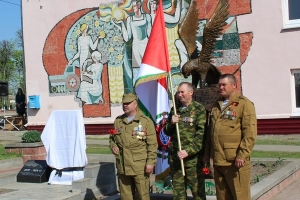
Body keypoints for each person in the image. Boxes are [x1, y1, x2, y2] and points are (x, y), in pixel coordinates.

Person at [203, 74, 257, 200]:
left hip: (234, 161)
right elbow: (211, 132)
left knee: (240, 196)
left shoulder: (244, 104)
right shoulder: (217, 105)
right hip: (218, 160)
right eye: (219, 84)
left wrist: (242, 155)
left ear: (234, 86)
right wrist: (207, 154)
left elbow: (250, 133)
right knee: (222, 196)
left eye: (224, 85)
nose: (220, 87)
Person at [109, 93, 157, 200]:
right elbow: (112, 139)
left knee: (142, 196)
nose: (125, 105)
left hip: (139, 167)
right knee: (125, 196)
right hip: (123, 166)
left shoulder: (145, 121)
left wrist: (150, 162)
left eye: (128, 103)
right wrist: (113, 146)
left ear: (135, 105)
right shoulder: (118, 121)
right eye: (123, 103)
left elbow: (152, 144)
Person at [164, 82, 207, 200]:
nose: (180, 95)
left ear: (191, 92)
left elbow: (201, 136)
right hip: (176, 159)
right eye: (178, 92)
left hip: (192, 160)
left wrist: (188, 151)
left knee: (198, 193)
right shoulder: (175, 110)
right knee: (178, 195)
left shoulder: (199, 109)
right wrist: (171, 123)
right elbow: (166, 132)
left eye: (182, 92)